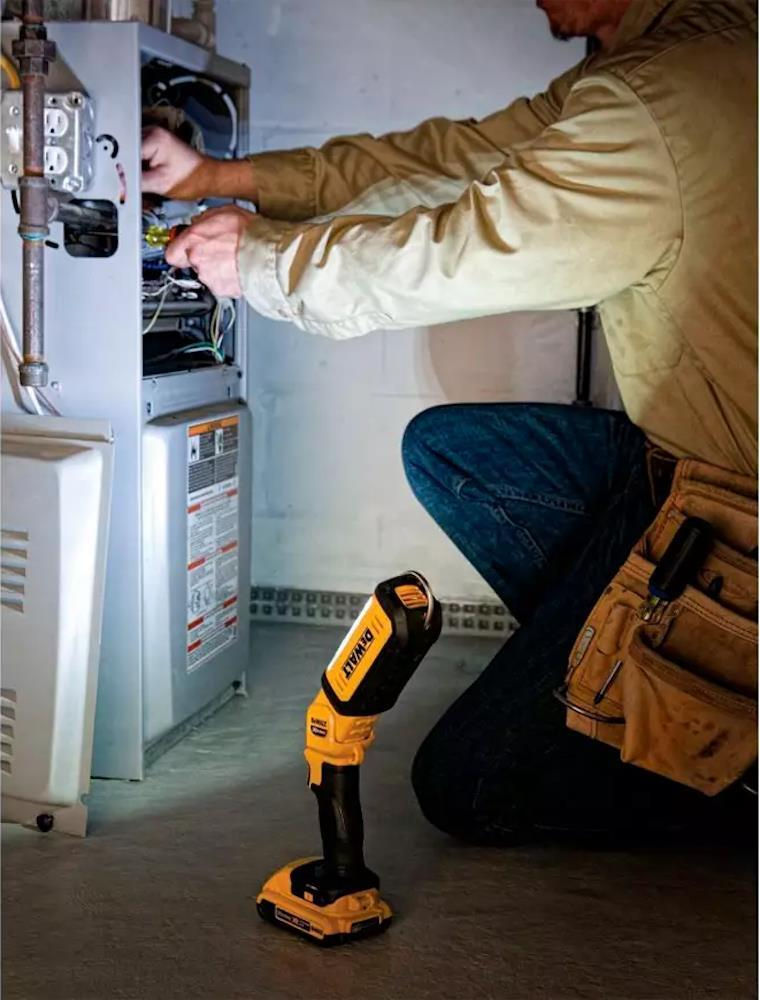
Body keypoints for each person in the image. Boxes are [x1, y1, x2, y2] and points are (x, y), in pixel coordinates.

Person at [143, 0, 757, 843]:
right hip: (677, 468)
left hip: (733, 518)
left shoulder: (659, 103)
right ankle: (614, 661)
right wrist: (215, 178)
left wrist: (261, 259)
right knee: (453, 451)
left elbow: (459, 253)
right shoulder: (677, 61)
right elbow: (449, 161)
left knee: (468, 782)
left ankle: (719, 751)